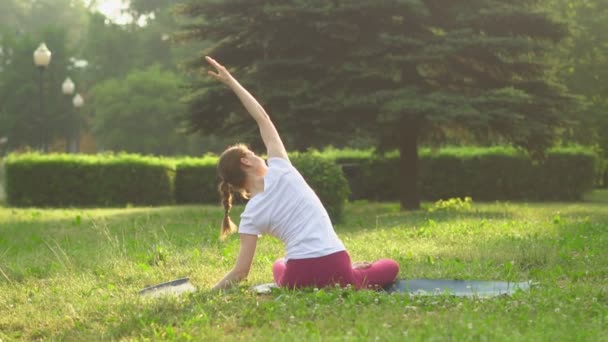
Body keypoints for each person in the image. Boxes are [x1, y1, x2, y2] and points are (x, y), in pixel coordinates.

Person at [206, 56, 399, 291]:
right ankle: (353, 274)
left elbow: (240, 272)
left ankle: (331, 274)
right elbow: (262, 117)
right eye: (253, 153)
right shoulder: (281, 167)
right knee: (390, 266)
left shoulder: (250, 215)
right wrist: (231, 81)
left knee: (280, 265)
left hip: (298, 276)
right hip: (337, 264)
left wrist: (206, 294)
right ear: (246, 161)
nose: (259, 155)